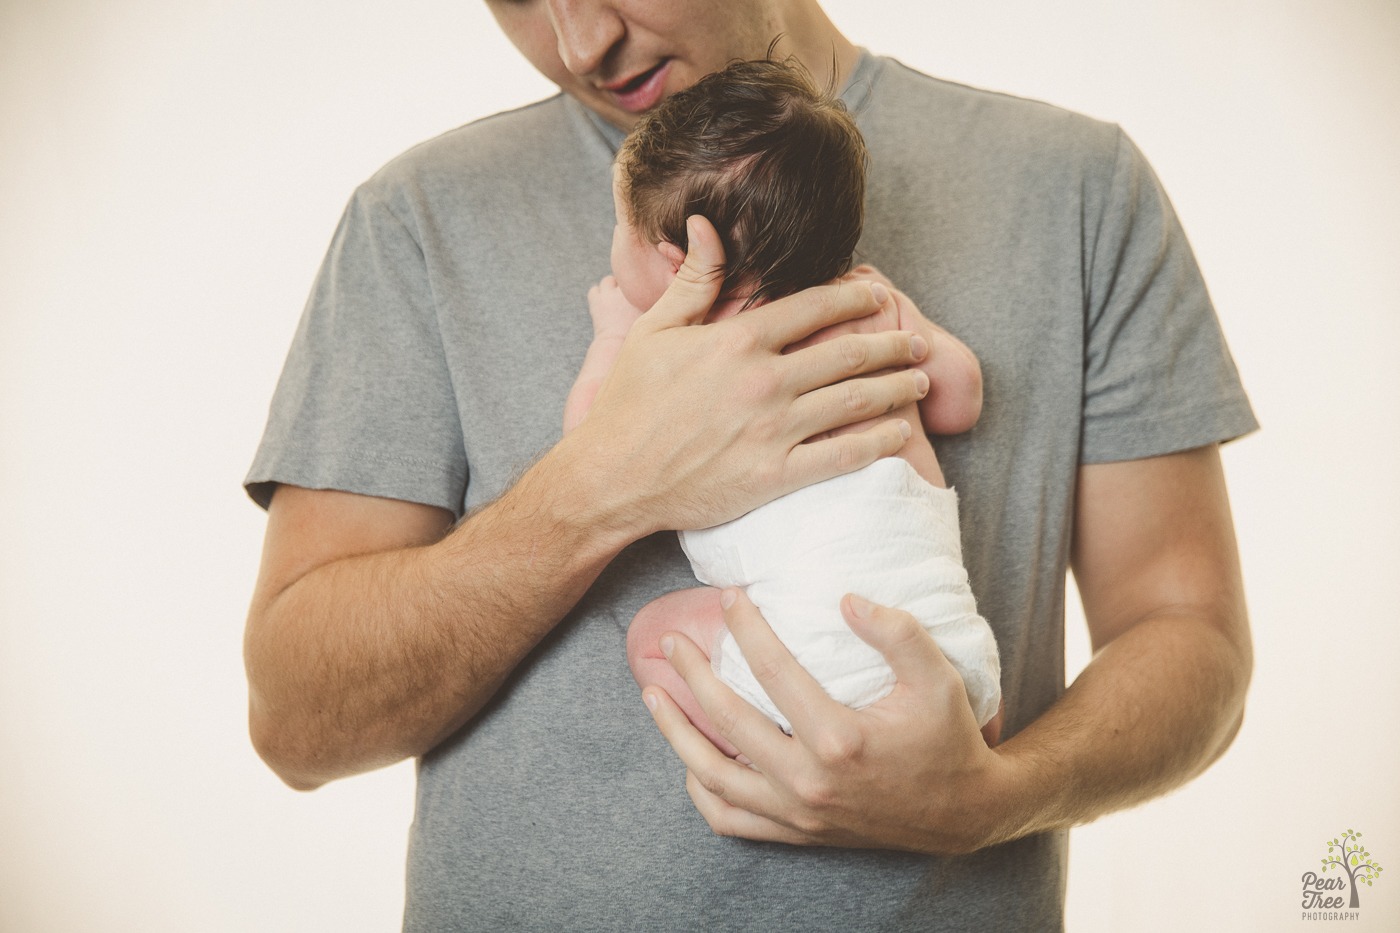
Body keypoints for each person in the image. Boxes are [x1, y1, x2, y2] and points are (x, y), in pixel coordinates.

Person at [242, 2, 1258, 929]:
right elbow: (297, 720)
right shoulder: (417, 217)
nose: (577, 40)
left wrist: (998, 799)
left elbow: (1186, 636)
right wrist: (603, 487)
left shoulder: (1074, 187)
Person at [562, 57, 1002, 755]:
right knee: (959, 692)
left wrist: (614, 340)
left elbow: (590, 449)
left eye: (621, 228)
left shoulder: (676, 355)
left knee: (655, 636)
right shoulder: (870, 302)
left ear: (679, 263)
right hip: (947, 649)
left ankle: (768, 754)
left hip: (803, 650)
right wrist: (899, 307)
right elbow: (960, 398)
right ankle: (977, 725)